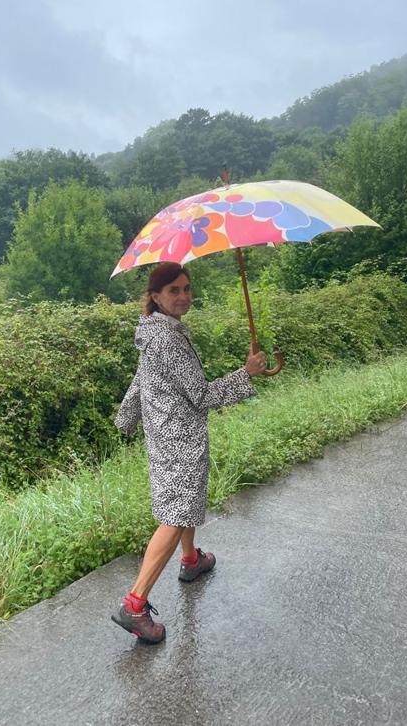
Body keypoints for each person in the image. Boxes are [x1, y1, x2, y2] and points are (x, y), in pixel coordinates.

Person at [112, 261, 266, 643]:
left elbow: (143, 375)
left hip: (165, 432)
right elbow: (202, 395)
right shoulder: (167, 338)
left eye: (186, 288)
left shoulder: (153, 332)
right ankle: (134, 604)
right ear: (155, 297)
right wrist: (246, 373)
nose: (183, 297)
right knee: (176, 514)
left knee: (185, 502)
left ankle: (191, 559)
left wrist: (127, 415)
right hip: (180, 437)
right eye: (173, 291)